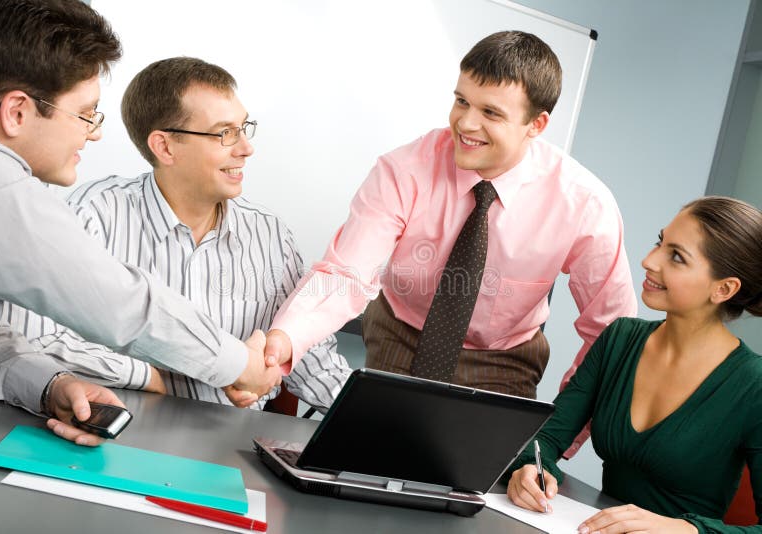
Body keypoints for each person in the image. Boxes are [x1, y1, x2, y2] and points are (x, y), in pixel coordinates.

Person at [0, 0, 279, 446]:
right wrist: (237, 364)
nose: (92, 133)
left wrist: (51, 385)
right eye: (86, 113)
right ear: (16, 112)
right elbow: (121, 305)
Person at [266, 30, 636, 410]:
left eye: (490, 112)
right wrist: (284, 339)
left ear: (536, 125)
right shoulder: (404, 170)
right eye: (462, 101)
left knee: (485, 468)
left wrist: (560, 434)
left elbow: (610, 331)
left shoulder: (584, 204)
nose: (466, 124)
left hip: (503, 359)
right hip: (400, 332)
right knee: (381, 446)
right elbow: (345, 274)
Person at [0, 57, 351, 413]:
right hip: (124, 429)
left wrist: (377, 423)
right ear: (164, 146)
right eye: (225, 134)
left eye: (244, 128)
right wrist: (155, 377)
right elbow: (39, 337)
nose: (247, 149)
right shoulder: (93, 213)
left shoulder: (270, 236)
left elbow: (308, 358)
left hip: (227, 449)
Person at [507, 196, 762, 533]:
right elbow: (546, 438)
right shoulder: (620, 339)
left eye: (676, 257)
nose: (648, 260)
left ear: (724, 289)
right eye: (661, 242)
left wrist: (685, 530)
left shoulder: (753, 384)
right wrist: (529, 468)